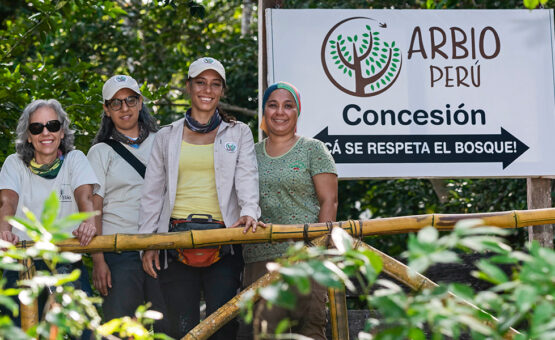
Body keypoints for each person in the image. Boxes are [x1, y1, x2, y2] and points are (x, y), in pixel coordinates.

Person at [139, 57, 260, 339]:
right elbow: (152, 193)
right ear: (188, 87)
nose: (208, 90)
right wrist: (147, 242)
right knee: (182, 326)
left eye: (215, 84)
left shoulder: (238, 132)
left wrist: (250, 211)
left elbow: (247, 178)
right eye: (201, 83)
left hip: (224, 239)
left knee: (223, 325)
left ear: (222, 91)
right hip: (175, 239)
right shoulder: (166, 136)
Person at [242, 82, 338, 339]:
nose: (280, 112)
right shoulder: (250, 154)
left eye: (288, 106)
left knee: (308, 332)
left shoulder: (313, 149)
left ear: (298, 112)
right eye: (273, 105)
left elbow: (330, 201)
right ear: (264, 111)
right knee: (262, 333)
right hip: (258, 259)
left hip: (304, 258)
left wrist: (316, 252)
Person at [0, 99, 98, 329]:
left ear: (62, 132)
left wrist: (88, 222)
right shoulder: (14, 164)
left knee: (84, 330)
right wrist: (4, 232)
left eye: (53, 125)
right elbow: (7, 201)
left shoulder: (75, 159)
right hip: (21, 263)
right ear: (28, 135)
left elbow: (86, 197)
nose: (46, 132)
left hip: (64, 260)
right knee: (19, 331)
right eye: (37, 128)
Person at [86, 75, 168, 330]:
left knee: (170, 327)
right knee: (122, 329)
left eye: (130, 100)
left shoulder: (162, 140)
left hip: (161, 245)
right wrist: (98, 260)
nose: (125, 108)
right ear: (106, 109)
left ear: (140, 101)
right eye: (116, 103)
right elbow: (93, 208)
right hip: (119, 250)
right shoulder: (100, 152)